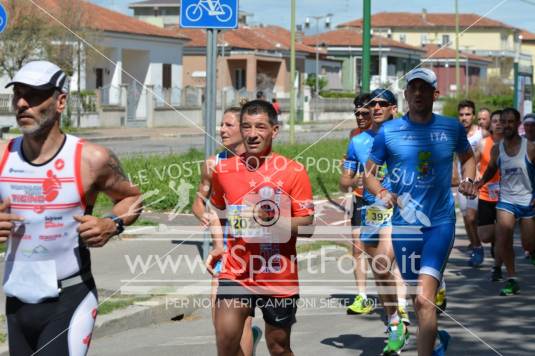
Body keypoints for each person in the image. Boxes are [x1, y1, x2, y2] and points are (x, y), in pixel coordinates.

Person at [1, 60, 142, 355]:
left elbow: (132, 198)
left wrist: (111, 223)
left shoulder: (91, 159)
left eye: (35, 95)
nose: (22, 103)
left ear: (60, 101)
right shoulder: (3, 155)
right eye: (18, 95)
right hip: (17, 299)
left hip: (70, 297)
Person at [364, 68, 477, 356]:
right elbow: (369, 174)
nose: (417, 93)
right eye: (412, 88)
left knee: (425, 301)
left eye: (423, 88)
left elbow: (468, 158)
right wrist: (381, 191)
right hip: (404, 227)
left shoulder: (451, 127)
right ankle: (436, 342)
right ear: (405, 95)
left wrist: (468, 180)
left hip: (439, 223)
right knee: (419, 301)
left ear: (434, 94)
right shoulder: (388, 132)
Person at [210, 100, 315, 356]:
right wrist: (218, 244)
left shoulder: (293, 171)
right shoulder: (223, 170)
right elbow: (216, 209)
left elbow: (307, 226)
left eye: (260, 127)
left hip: (277, 275)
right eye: (246, 126)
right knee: (226, 342)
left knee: (278, 347)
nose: (252, 134)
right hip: (236, 272)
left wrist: (268, 219)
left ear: (274, 131)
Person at [342, 88, 410, 354]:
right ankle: (394, 319)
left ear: (394, 108)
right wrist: (358, 180)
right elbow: (345, 179)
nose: (376, 108)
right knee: (380, 270)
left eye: (383, 103)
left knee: (386, 259)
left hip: (400, 210)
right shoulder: (357, 142)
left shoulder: (408, 135)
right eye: (373, 104)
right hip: (371, 210)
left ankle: (401, 312)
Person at [192, 107, 262, 356]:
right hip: (224, 252)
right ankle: (249, 343)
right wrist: (207, 216)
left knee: (240, 322)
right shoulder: (213, 164)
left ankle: (249, 340)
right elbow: (198, 202)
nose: (221, 129)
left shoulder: (260, 164)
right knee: (222, 327)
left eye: (228, 125)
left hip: (254, 254)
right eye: (221, 124)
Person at [476, 108, 535, 296]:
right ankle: (512, 278)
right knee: (503, 238)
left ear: (518, 124)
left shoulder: (531, 147)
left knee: (528, 244)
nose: (506, 125)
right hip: (506, 200)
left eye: (511, 122)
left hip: (528, 201)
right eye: (504, 121)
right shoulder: (497, 149)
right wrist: (480, 183)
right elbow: (492, 169)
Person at [340, 93, 374, 315]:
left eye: (364, 113)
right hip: (361, 199)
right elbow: (344, 181)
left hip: (388, 200)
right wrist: (355, 180)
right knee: (358, 248)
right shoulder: (355, 138)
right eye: (357, 113)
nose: (360, 117)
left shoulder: (391, 134)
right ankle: (362, 297)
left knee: (392, 252)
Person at [475, 110, 504, 281]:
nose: (498, 124)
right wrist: (477, 174)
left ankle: (497, 267)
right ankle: (498, 240)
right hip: (486, 194)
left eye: (501, 121)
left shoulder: (511, 144)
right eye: (495, 121)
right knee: (485, 236)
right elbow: (473, 161)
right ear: (490, 125)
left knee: (501, 232)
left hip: (506, 197)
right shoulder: (483, 143)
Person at [457, 100, 484, 267]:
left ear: (473, 116)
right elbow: (456, 158)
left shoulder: (482, 133)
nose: (464, 118)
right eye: (461, 115)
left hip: (478, 182)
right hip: (462, 181)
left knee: (473, 217)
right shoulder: (457, 134)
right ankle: (476, 246)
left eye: (467, 114)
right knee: (467, 218)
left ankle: (479, 246)